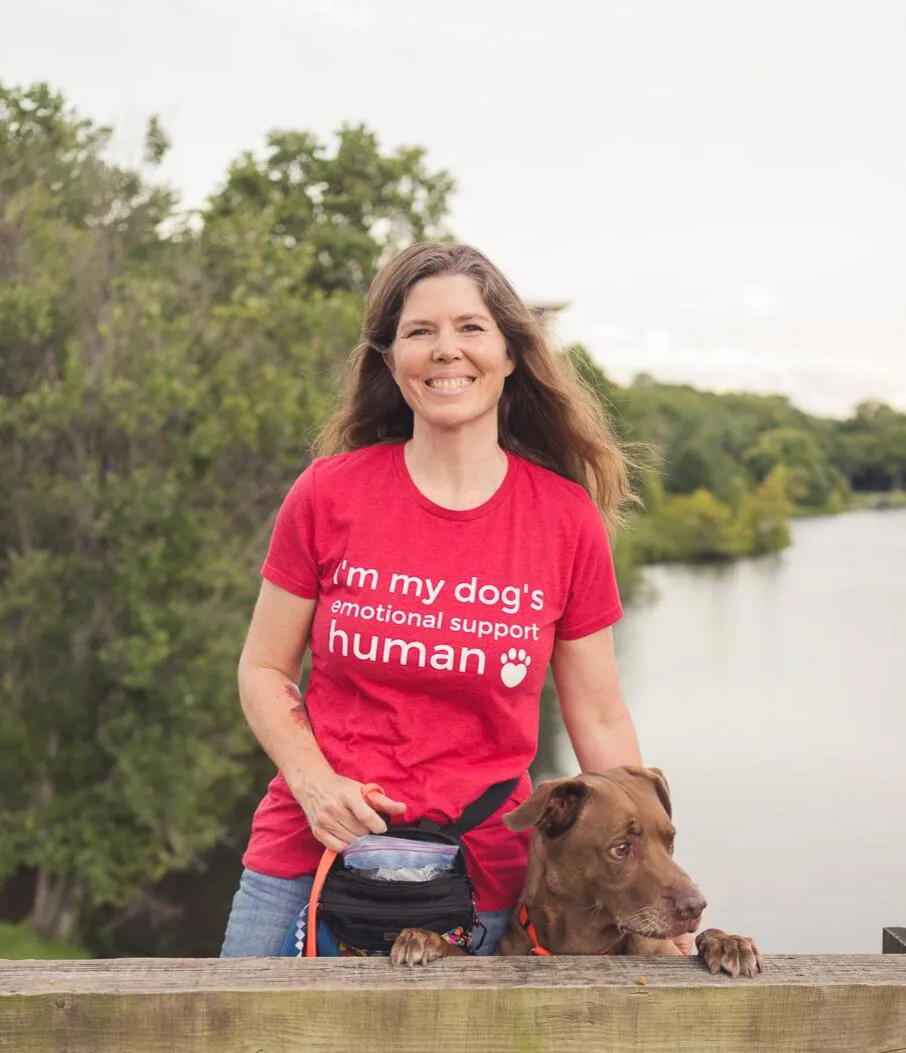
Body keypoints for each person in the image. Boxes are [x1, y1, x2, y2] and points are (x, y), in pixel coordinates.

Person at [220, 241, 647, 958]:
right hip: (310, 858)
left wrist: (646, 882)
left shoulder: (564, 518)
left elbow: (599, 719)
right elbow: (262, 669)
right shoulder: (328, 492)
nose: (446, 350)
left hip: (480, 877)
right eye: (420, 331)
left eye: (471, 328)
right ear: (391, 361)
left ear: (511, 353)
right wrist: (317, 785)